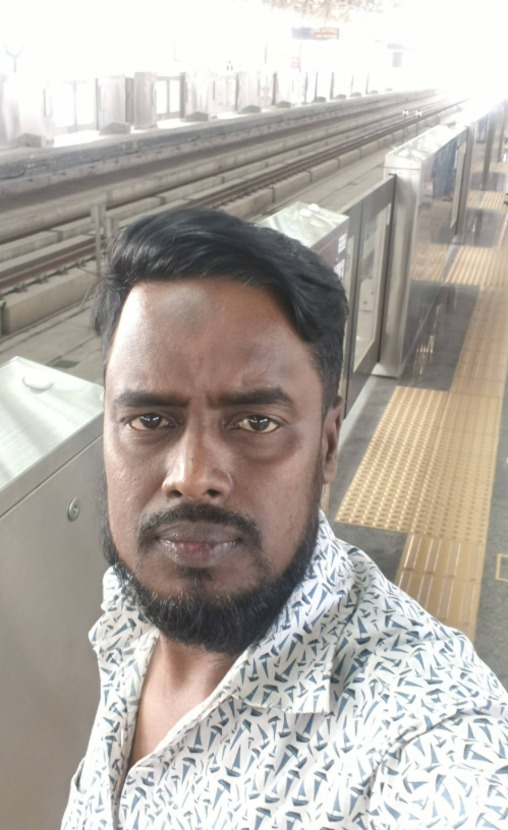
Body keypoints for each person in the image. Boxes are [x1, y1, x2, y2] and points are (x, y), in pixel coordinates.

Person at [62, 207, 508, 829]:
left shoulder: (428, 729)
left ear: (328, 445)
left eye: (256, 422)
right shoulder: (129, 606)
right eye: (150, 419)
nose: (192, 475)